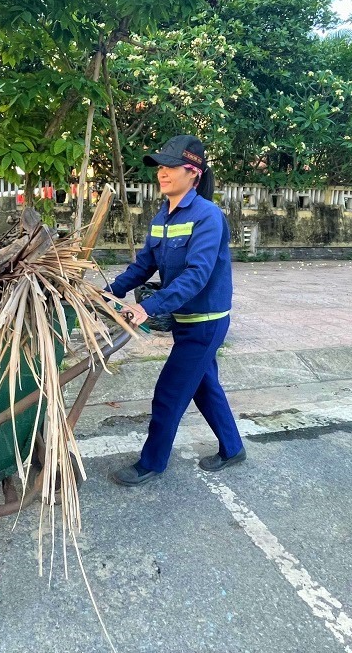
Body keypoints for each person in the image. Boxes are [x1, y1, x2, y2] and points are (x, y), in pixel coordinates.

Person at [107, 135, 246, 486]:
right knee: (204, 386)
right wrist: (107, 292)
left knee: (169, 392)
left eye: (171, 167)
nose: (163, 173)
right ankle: (233, 448)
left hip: (206, 324)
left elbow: (197, 274)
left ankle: (151, 462)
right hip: (186, 321)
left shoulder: (208, 216)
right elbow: (142, 267)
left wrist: (147, 308)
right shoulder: (161, 218)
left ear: (193, 173)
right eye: (161, 167)